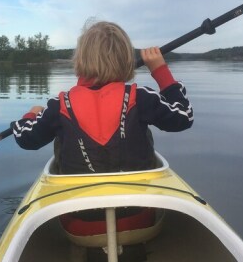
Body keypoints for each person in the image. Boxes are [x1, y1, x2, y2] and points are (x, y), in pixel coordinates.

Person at [11, 20, 193, 174]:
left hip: (78, 213)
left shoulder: (59, 106)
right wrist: (160, 71)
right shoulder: (140, 97)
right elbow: (184, 117)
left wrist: (32, 115)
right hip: (138, 211)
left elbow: (26, 139)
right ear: (126, 61)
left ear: (80, 59)